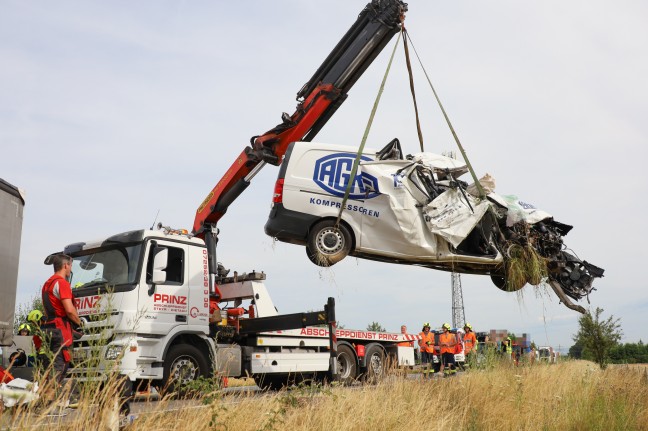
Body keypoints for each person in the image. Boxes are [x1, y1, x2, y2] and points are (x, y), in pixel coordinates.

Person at [41, 254, 82, 384]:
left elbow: (46, 310)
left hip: (48, 328)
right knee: (59, 369)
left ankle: (46, 399)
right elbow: (69, 310)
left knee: (49, 368)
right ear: (65, 265)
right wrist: (79, 322)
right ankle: (49, 402)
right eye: (70, 266)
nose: (70, 269)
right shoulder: (62, 283)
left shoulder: (47, 284)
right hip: (60, 329)